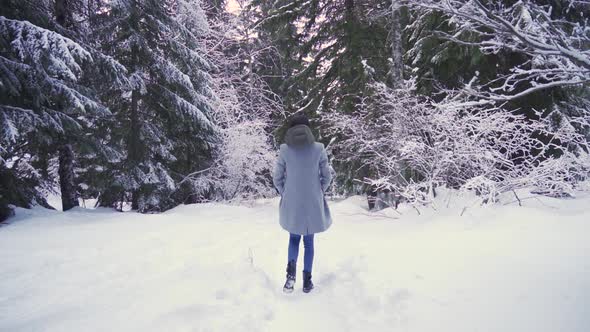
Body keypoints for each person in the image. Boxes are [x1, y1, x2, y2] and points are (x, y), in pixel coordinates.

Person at [272, 113, 333, 293]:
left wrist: (286, 192)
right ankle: (307, 282)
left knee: (293, 238)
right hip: (313, 202)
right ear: (308, 129)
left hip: (292, 202)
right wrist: (319, 191)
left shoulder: (284, 150)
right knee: (309, 242)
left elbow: (277, 178)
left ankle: (290, 278)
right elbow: (327, 176)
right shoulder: (319, 149)